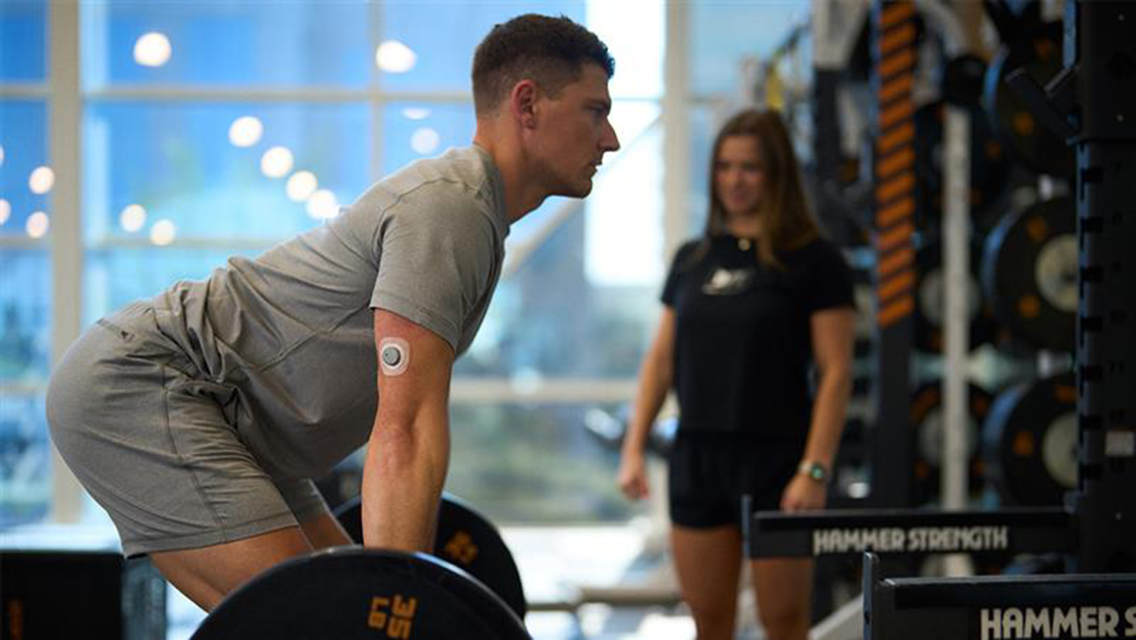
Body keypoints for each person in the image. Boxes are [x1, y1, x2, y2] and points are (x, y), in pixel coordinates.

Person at [46, 13, 619, 612]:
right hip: (151, 385)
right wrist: (400, 610)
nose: (610, 138)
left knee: (340, 607)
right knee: (325, 621)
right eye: (595, 111)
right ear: (527, 104)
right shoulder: (451, 209)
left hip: (244, 427)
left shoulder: (476, 217)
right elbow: (406, 429)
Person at [617, 108, 855, 640]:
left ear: (776, 175)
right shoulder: (692, 259)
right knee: (710, 623)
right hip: (698, 458)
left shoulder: (815, 262)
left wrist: (814, 470)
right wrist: (633, 447)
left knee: (784, 623)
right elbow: (660, 362)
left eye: (749, 168)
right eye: (725, 166)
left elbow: (837, 372)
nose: (735, 180)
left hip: (778, 460)